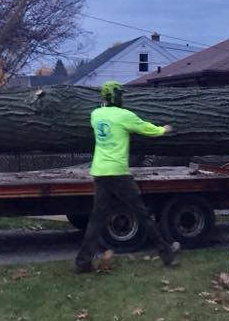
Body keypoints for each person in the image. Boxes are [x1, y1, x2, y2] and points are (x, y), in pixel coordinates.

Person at [75, 80, 179, 273]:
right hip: (119, 173)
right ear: (118, 97)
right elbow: (146, 128)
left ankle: (83, 261)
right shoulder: (125, 116)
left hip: (99, 171)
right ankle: (166, 252)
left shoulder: (95, 115)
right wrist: (163, 130)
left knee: (96, 219)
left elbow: (101, 113)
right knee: (143, 214)